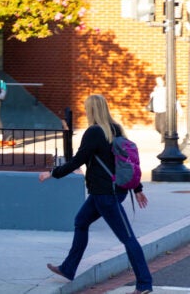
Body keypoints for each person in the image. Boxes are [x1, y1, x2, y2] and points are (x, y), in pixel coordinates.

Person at [40, 94, 152, 294]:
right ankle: (68, 268)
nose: (84, 111)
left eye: (86, 108)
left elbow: (77, 161)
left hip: (105, 195)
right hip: (110, 192)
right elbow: (128, 163)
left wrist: (52, 173)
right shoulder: (116, 129)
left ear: (92, 110)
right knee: (81, 221)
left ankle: (144, 284)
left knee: (128, 238)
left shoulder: (94, 132)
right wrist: (136, 188)